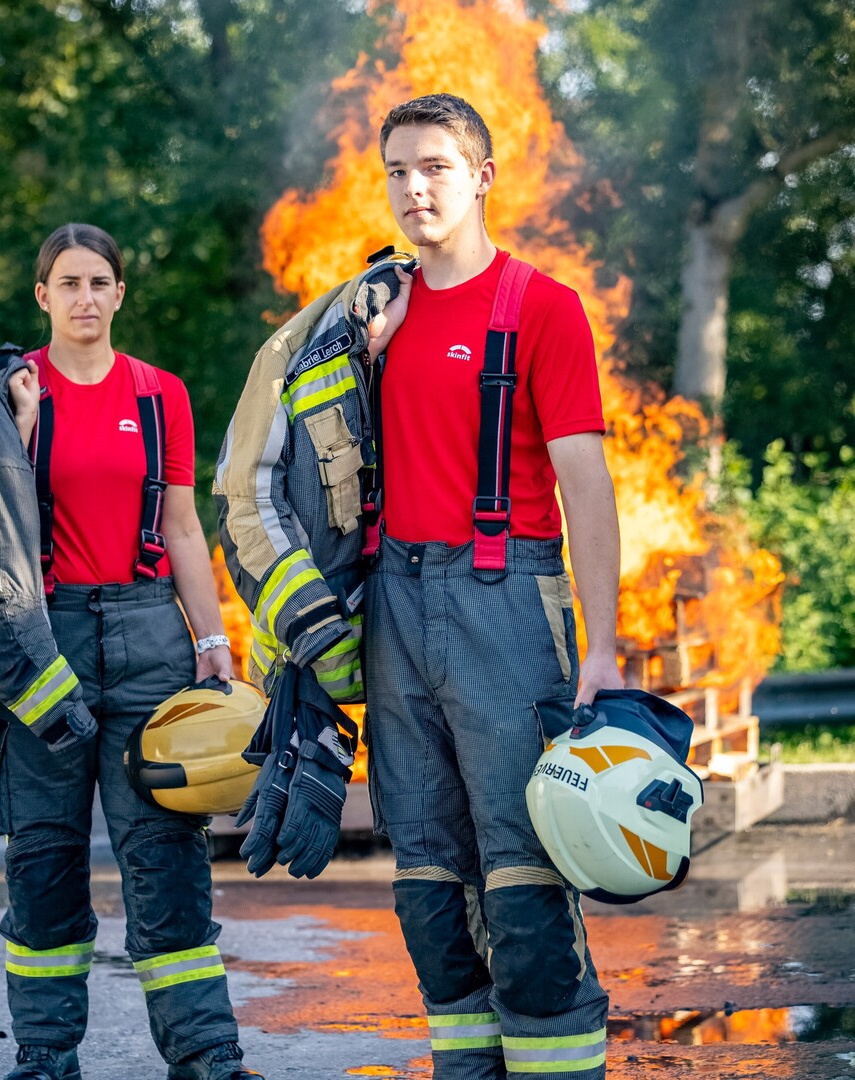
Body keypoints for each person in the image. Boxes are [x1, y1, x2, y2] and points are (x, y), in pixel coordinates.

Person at [359, 94, 623, 1080]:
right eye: (397, 171)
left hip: (505, 597)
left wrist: (600, 646)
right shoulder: (368, 320)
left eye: (433, 166)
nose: (413, 188)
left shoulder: (542, 307)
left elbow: (586, 485)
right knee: (427, 880)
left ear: (481, 176)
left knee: (521, 876)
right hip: (396, 604)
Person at [0, 223, 262, 1080]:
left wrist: (211, 641)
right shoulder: (9, 391)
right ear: (43, 297)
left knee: (166, 854)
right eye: (69, 284)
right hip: (44, 635)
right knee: (45, 855)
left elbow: (179, 526)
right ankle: (47, 1054)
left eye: (100, 282)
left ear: (120, 294)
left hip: (147, 636)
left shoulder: (159, 393)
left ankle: (206, 1054)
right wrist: (19, 426)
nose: (85, 298)